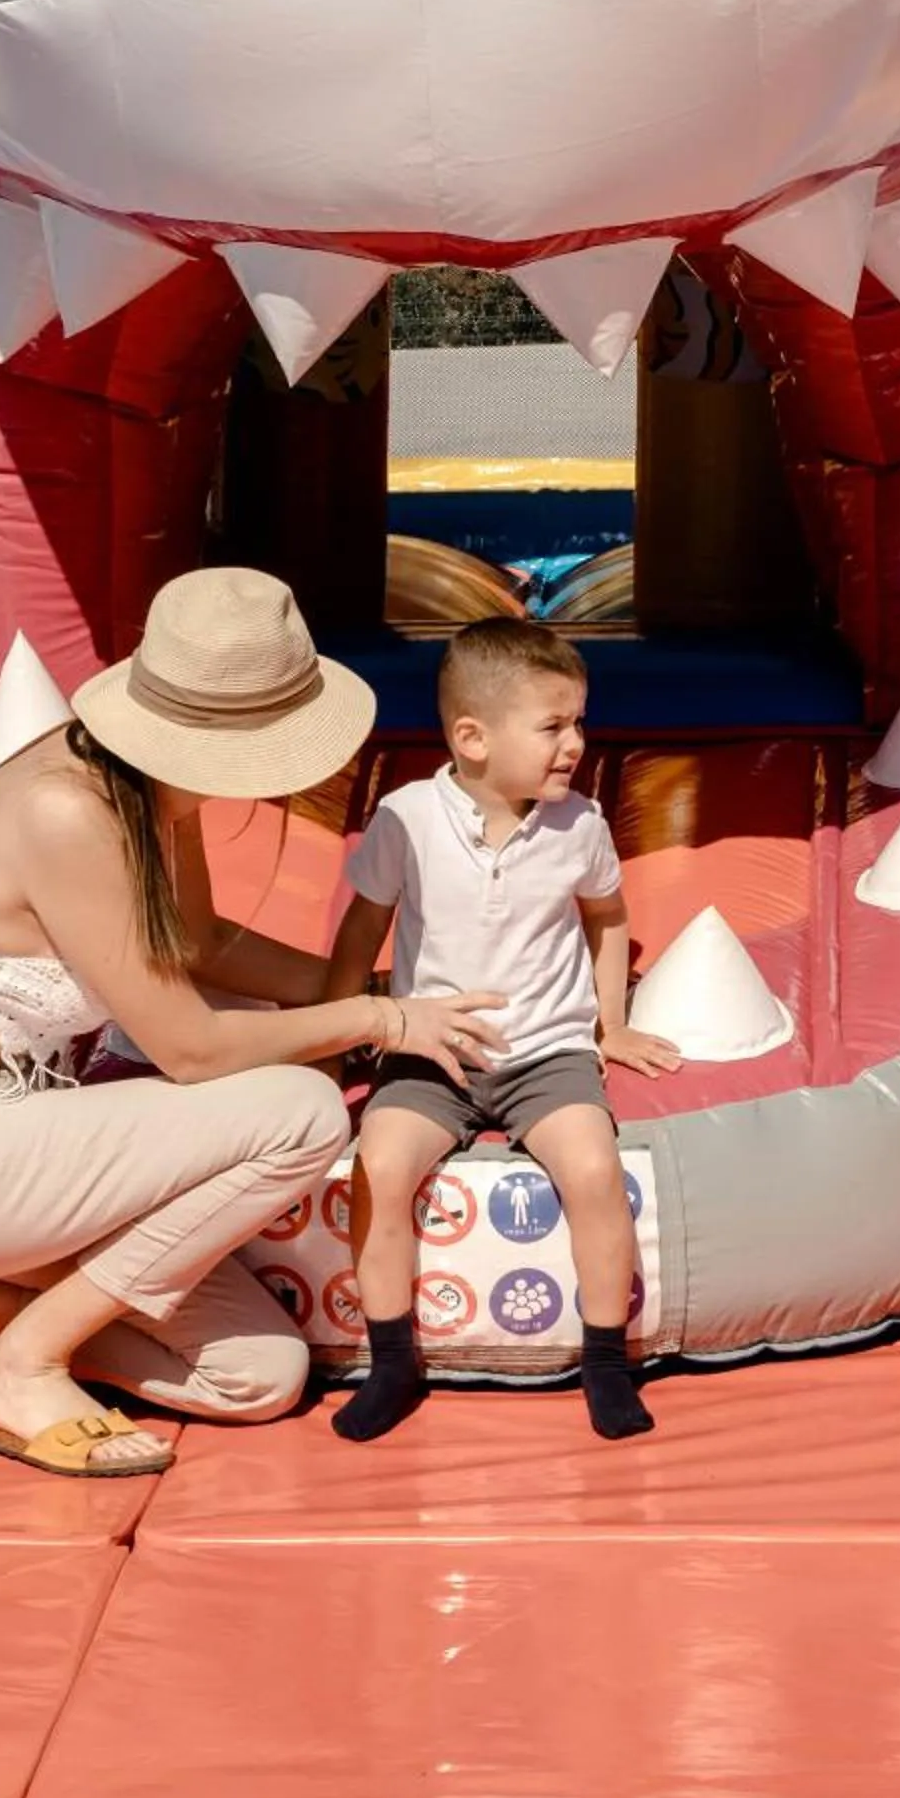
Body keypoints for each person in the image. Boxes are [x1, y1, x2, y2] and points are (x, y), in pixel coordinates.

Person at [0, 569, 503, 1478]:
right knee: (303, 1110)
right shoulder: (66, 809)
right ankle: (21, 1365)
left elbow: (196, 945)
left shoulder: (158, 789)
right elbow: (192, 1048)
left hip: (20, 1146)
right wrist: (377, 1016)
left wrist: (380, 985)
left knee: (257, 1375)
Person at [323, 617, 680, 1444]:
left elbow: (609, 920)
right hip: (432, 1053)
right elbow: (359, 930)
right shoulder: (407, 818)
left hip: (545, 1055)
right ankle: (391, 1360)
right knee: (380, 1165)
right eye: (553, 726)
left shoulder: (579, 826)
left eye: (579, 722)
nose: (575, 744)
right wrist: (335, 1029)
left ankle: (603, 1361)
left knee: (593, 1169)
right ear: (472, 737)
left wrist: (609, 1026)